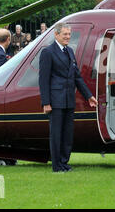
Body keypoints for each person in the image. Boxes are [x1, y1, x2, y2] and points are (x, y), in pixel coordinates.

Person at [39, 22, 98, 172]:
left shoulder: (70, 51)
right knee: (56, 134)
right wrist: (46, 103)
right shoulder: (48, 52)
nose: (67, 37)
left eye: (69, 34)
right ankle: (57, 165)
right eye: (65, 34)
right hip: (55, 101)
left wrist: (89, 96)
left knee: (67, 134)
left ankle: (65, 163)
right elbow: (43, 80)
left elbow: (77, 77)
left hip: (68, 101)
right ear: (56, 34)